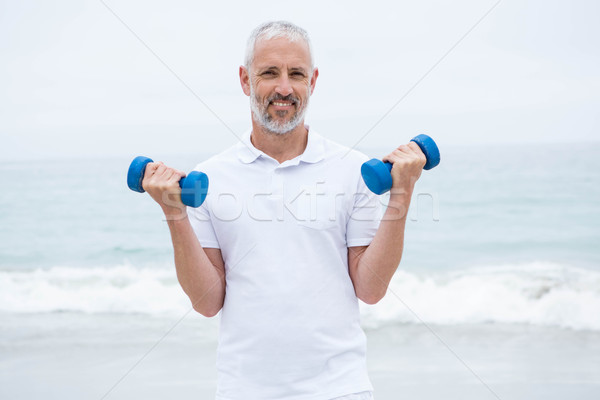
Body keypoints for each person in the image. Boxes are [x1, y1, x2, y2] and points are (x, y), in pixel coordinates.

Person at [142, 21, 426, 400]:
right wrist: (174, 213)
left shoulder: (353, 169)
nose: (284, 88)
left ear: (313, 80)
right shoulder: (207, 179)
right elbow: (207, 303)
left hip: (341, 388)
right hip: (244, 389)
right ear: (245, 80)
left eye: (296, 74)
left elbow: (371, 290)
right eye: (269, 73)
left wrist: (401, 193)